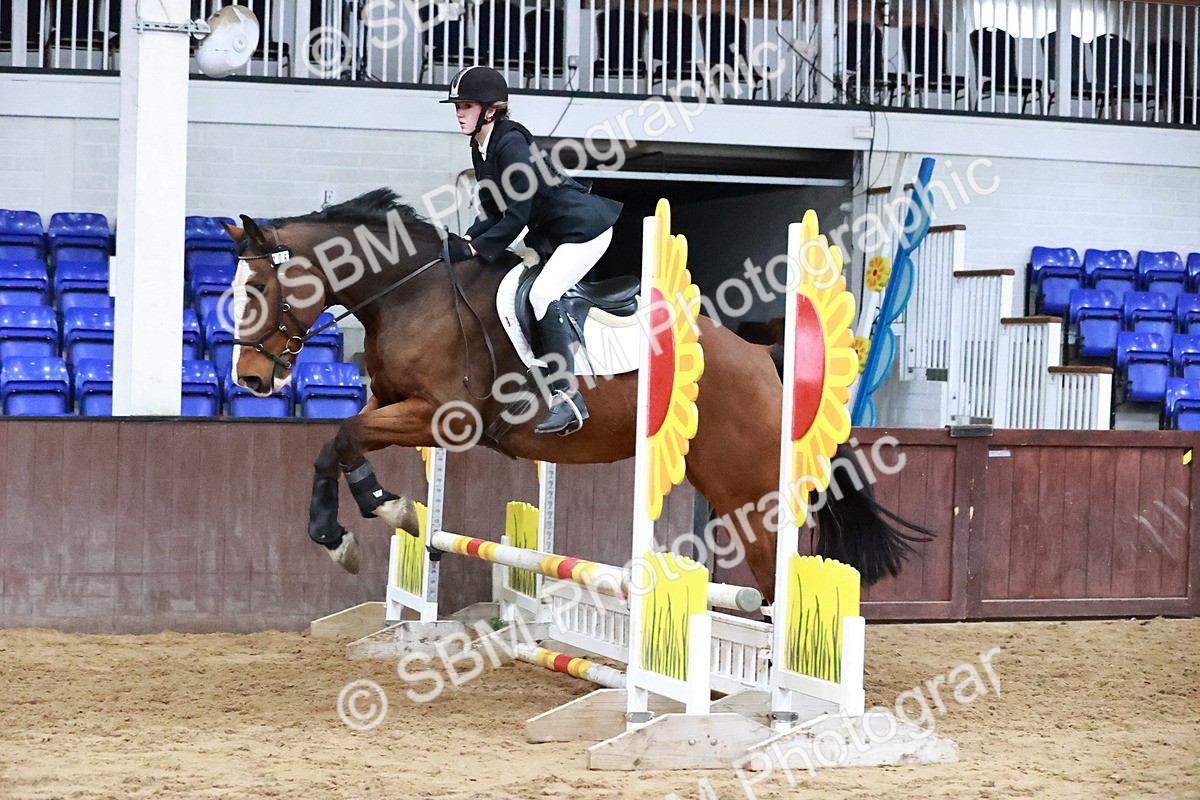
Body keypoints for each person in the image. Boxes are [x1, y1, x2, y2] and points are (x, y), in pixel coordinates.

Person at [441, 66, 623, 436]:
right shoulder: (481, 145)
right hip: (551, 234)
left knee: (542, 294)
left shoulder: (511, 144)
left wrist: (478, 249)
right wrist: (465, 239)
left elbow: (518, 213)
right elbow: (493, 211)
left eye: (466, 105)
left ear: (490, 110)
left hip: (583, 230)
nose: (459, 112)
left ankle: (568, 398)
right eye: (457, 105)